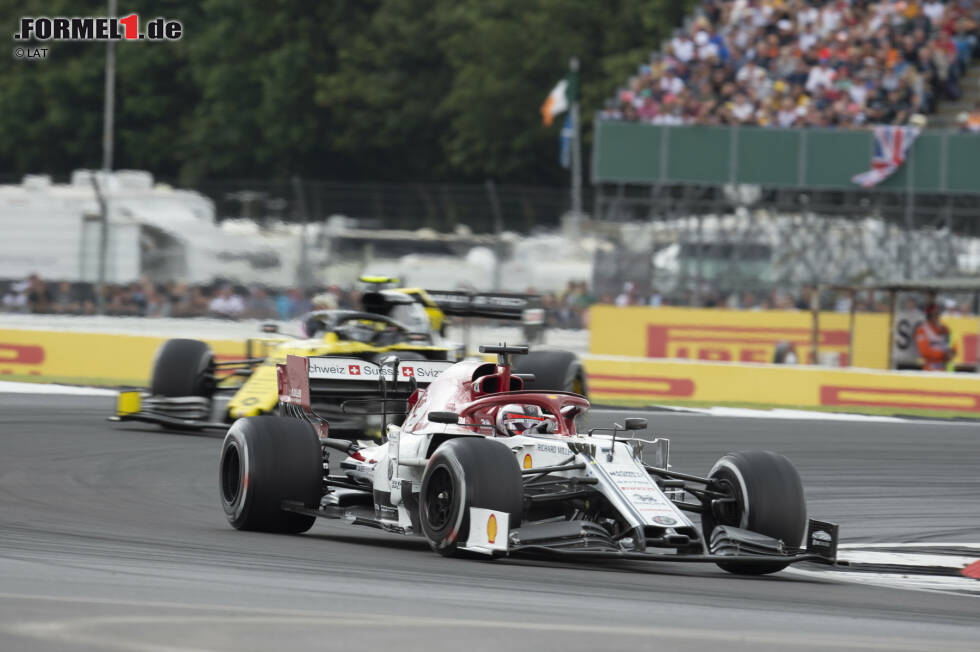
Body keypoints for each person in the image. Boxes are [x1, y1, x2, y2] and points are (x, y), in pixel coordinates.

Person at [915, 303, 955, 371]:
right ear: (929, 315)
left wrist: (952, 353)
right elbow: (925, 352)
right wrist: (942, 355)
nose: (937, 316)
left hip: (945, 369)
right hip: (930, 369)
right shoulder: (922, 330)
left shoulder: (945, 329)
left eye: (938, 313)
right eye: (934, 314)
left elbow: (953, 345)